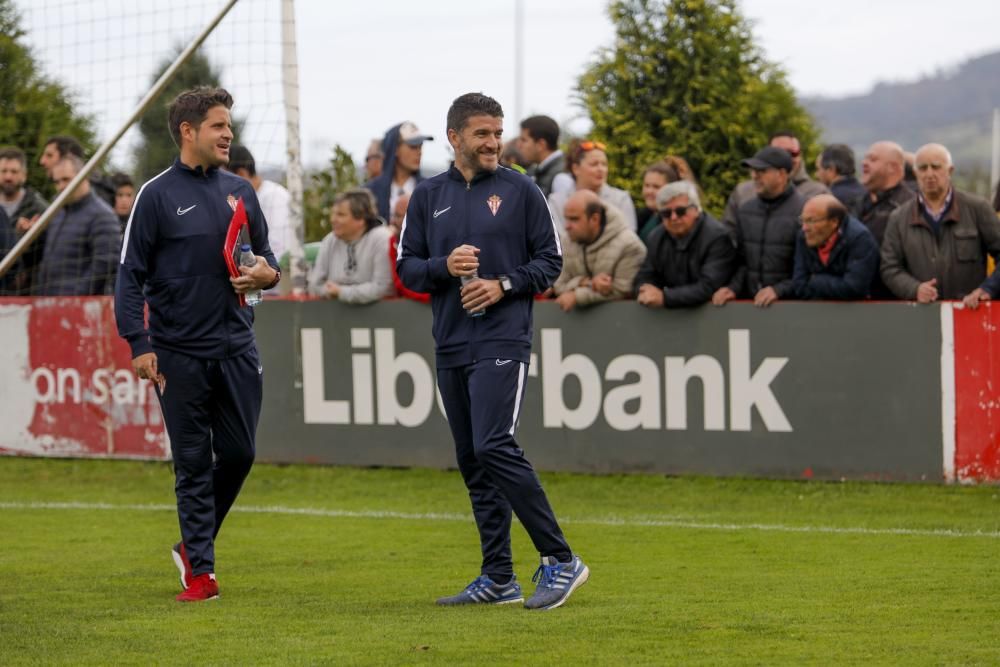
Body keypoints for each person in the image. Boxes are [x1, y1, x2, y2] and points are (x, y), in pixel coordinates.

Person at [397, 92, 588, 611]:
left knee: (493, 445)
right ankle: (498, 577)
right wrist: (444, 267)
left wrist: (502, 284)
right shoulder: (427, 195)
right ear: (455, 136)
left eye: (498, 133)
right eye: (483, 133)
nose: (494, 143)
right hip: (450, 340)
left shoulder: (522, 190)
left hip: (503, 337)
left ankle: (561, 559)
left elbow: (550, 264)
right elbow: (407, 267)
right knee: (472, 459)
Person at [115, 86, 280, 603]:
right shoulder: (156, 194)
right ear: (188, 132)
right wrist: (139, 343)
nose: (228, 133)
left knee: (240, 453)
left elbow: (269, 263)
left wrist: (263, 277)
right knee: (191, 461)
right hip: (178, 353)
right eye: (217, 125)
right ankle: (202, 573)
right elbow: (129, 277)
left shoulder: (241, 191)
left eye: (229, 124)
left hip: (237, 347)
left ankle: (191, 544)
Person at [881, 143, 1000, 303]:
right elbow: (889, 267)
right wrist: (914, 289)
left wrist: (987, 289)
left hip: (970, 313)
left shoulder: (977, 209)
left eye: (936, 167)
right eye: (923, 168)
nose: (929, 174)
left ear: (950, 170)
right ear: (916, 173)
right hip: (922, 316)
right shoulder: (899, 218)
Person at [713, 146, 805, 308]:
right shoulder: (746, 210)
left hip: (792, 308)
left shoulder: (804, 211)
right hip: (752, 307)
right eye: (753, 171)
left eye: (762, 171)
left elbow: (808, 269)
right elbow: (741, 261)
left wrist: (779, 290)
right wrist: (733, 288)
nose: (754, 176)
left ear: (782, 174)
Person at [634, 180, 735, 308]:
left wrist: (665, 297)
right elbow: (645, 275)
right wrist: (645, 291)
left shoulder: (717, 236)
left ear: (696, 209)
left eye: (680, 211)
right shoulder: (655, 237)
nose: (674, 217)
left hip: (715, 313)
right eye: (666, 213)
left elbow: (709, 286)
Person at [35, 155, 120, 295]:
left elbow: (105, 263)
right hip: (48, 303)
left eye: (66, 180)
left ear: (83, 177)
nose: (61, 186)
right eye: (57, 182)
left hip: (79, 307)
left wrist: (76, 297)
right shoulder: (56, 212)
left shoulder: (103, 215)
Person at [552, 190, 646, 311]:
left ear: (595, 219)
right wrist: (586, 283)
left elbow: (622, 290)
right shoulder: (567, 240)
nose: (567, 226)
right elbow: (558, 285)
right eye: (566, 219)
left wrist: (577, 296)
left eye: (574, 219)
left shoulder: (630, 245)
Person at [722, 130, 827, 226]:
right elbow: (729, 231)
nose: (786, 158)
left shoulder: (818, 193)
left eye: (792, 153)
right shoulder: (743, 191)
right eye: (777, 153)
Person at [307, 188, 393, 303]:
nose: (333, 219)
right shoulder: (330, 240)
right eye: (333, 214)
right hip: (335, 317)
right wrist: (330, 291)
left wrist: (341, 292)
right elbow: (315, 285)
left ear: (360, 219)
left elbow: (383, 288)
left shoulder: (382, 239)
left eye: (341, 215)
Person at [791, 194, 879, 300]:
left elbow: (854, 288)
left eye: (811, 221)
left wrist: (815, 280)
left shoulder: (859, 238)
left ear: (834, 222)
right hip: (815, 310)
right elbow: (799, 286)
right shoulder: (803, 237)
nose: (805, 228)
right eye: (803, 220)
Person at [547, 140, 637, 231]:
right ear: (575, 169)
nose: (601, 169)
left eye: (604, 164)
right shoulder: (557, 201)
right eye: (594, 164)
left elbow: (628, 236)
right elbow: (557, 238)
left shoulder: (621, 199)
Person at [227, 144, 293, 266]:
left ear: (241, 174)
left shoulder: (275, 196)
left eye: (225, 178)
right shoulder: (247, 199)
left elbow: (279, 250)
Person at [0, 146, 49, 294]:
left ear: (24, 175)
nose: (8, 176)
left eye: (14, 172)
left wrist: (33, 237)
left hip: (26, 293)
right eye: (3, 171)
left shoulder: (39, 208)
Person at [364, 121, 434, 220]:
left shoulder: (431, 190)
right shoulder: (370, 191)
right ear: (395, 149)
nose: (419, 152)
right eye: (413, 146)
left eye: (420, 146)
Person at [387, 192, 429, 303]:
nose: (393, 221)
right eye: (393, 215)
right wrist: (430, 298)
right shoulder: (393, 242)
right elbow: (400, 283)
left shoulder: (435, 239)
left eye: (398, 216)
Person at [517, 115, 564, 197]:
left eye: (524, 140)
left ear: (540, 145)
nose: (519, 145)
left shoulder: (561, 176)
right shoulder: (541, 170)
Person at [636, 161, 680, 243]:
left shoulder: (675, 221)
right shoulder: (642, 216)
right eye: (647, 185)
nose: (649, 191)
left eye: (656, 187)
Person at [815, 144, 866, 215]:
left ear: (831, 170)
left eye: (818, 169)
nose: (816, 175)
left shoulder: (829, 199)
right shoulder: (867, 194)